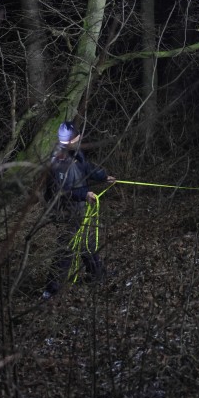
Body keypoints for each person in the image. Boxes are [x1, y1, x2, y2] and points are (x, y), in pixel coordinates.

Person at [43, 121, 116, 299]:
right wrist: (85, 194)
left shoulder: (75, 154)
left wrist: (103, 176)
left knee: (85, 242)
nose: (80, 138)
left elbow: (87, 169)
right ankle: (52, 290)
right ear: (69, 141)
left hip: (78, 209)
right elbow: (62, 191)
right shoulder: (58, 160)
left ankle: (96, 274)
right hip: (65, 211)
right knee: (66, 248)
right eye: (77, 136)